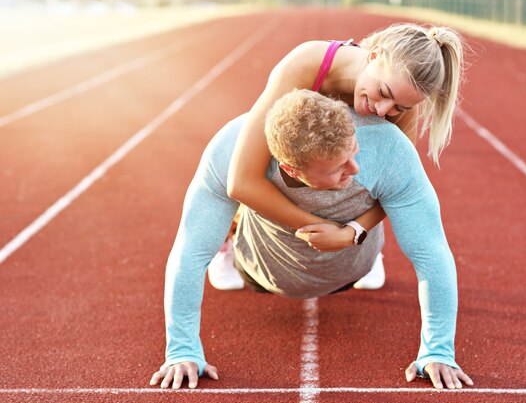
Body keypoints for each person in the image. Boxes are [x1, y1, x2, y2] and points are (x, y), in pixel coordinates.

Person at [150, 90, 473, 391]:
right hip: (263, 270)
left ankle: (372, 249)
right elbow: (190, 250)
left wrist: (438, 350)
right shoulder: (231, 148)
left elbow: (431, 253)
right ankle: (229, 243)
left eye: (353, 152)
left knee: (384, 194)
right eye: (338, 168)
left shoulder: (388, 148)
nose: (355, 167)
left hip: (354, 264)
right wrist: (182, 350)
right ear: (290, 168)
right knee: (217, 223)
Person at [209, 23, 464, 291]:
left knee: (371, 169)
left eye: (399, 107)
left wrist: (353, 233)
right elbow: (241, 180)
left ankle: (372, 250)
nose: (382, 110)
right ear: (374, 56)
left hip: (348, 208)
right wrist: (318, 227)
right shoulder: (303, 65)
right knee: (262, 159)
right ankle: (228, 241)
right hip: (290, 169)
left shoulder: (400, 102)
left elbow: (395, 187)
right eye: (383, 93)